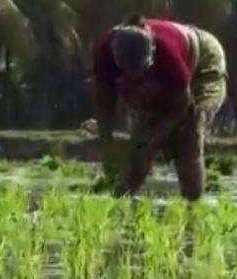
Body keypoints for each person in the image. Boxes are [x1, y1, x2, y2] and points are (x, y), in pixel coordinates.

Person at [91, 15, 228, 201]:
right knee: (140, 144)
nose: (135, 78)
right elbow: (104, 99)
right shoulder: (104, 53)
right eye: (128, 73)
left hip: (202, 58)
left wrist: (155, 140)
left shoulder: (167, 56)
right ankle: (122, 197)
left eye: (141, 71)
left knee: (188, 131)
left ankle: (193, 204)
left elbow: (182, 104)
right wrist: (106, 140)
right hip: (165, 76)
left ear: (151, 54)